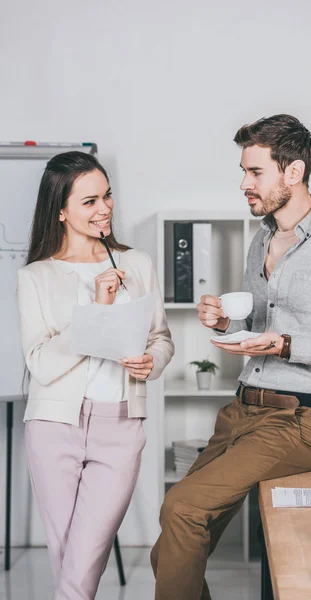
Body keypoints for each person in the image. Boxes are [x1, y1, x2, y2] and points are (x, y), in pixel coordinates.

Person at [150, 114, 311, 600]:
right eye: (244, 171)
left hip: (299, 421)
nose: (243, 183)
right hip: (241, 410)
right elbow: (257, 328)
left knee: (181, 508)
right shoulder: (262, 239)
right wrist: (225, 323)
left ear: (294, 172)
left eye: (255, 171)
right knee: (170, 542)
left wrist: (285, 344)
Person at [17, 151, 174, 600]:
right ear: (60, 210)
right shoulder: (36, 277)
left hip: (121, 425)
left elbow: (161, 338)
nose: (103, 208)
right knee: (70, 560)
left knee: (84, 559)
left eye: (107, 196)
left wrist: (152, 361)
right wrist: (96, 311)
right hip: (53, 428)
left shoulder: (137, 264)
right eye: (89, 201)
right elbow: (41, 364)